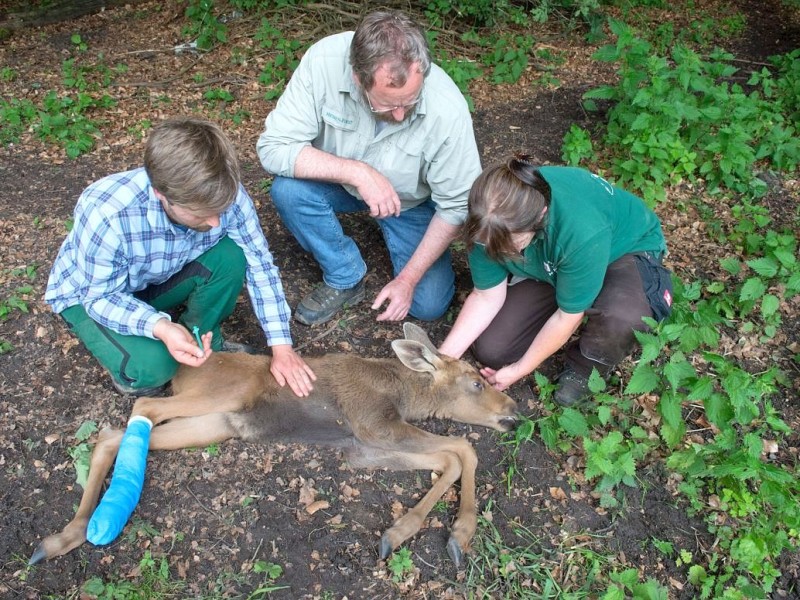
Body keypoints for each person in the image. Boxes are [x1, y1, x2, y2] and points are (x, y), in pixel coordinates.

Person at [45, 117, 316, 398]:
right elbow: (99, 297)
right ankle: (145, 363)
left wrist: (282, 346)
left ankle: (197, 337)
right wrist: (159, 326)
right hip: (92, 297)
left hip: (152, 279)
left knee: (232, 255)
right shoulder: (108, 214)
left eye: (220, 210)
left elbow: (259, 262)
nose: (214, 222)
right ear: (160, 194)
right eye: (200, 213)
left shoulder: (223, 193)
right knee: (155, 367)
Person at [256, 10, 482, 326]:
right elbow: (273, 148)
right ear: (358, 78)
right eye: (389, 105)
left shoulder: (448, 109)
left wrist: (408, 279)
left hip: (410, 203)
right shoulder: (324, 62)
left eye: (411, 102)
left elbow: (458, 204)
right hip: (342, 185)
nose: (401, 115)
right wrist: (358, 173)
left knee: (427, 305)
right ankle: (344, 274)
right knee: (288, 191)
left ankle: (402, 248)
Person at [438, 155, 674, 407]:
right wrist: (441, 363)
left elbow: (567, 316)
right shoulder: (487, 221)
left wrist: (520, 369)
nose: (500, 252)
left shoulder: (579, 231)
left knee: (623, 317)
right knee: (493, 350)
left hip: (623, 249)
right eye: (492, 245)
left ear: (540, 217)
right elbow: (486, 296)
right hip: (556, 262)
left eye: (511, 244)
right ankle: (575, 288)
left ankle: (586, 369)